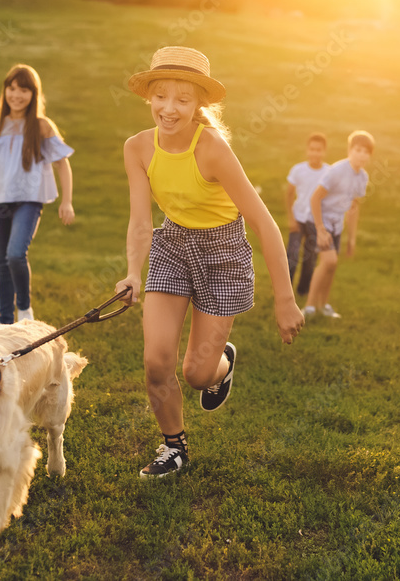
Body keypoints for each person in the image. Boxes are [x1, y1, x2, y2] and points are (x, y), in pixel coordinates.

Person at [114, 46, 304, 479]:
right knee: (156, 362)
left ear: (199, 103)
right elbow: (141, 221)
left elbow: (263, 223)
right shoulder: (137, 148)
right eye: (161, 96)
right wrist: (131, 273)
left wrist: (285, 300)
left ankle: (221, 365)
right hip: (173, 245)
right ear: (150, 98)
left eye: (183, 98)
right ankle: (174, 447)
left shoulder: (213, 150)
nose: (169, 108)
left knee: (197, 374)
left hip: (223, 255)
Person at [0, 64, 75, 331]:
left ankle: (25, 311)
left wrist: (66, 201)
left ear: (34, 94)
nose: (17, 95)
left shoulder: (42, 126)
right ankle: (4, 323)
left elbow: (62, 164)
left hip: (29, 200)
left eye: (24, 90)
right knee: (1, 261)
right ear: (5, 91)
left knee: (14, 254)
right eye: (12, 89)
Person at [303, 130, 374, 320]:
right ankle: (309, 307)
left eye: (366, 152)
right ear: (350, 150)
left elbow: (353, 208)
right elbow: (315, 198)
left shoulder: (362, 178)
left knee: (332, 267)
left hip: (336, 225)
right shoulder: (336, 171)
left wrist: (351, 238)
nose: (361, 155)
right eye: (358, 150)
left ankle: (323, 306)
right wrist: (319, 229)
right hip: (319, 221)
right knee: (329, 261)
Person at [285, 132, 330, 297]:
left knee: (310, 260)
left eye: (319, 150)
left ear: (324, 152)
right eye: (312, 149)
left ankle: (303, 291)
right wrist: (290, 218)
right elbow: (289, 194)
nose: (315, 153)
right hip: (298, 218)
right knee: (292, 256)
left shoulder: (329, 173)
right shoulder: (298, 170)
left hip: (315, 222)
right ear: (307, 150)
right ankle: (286, 290)